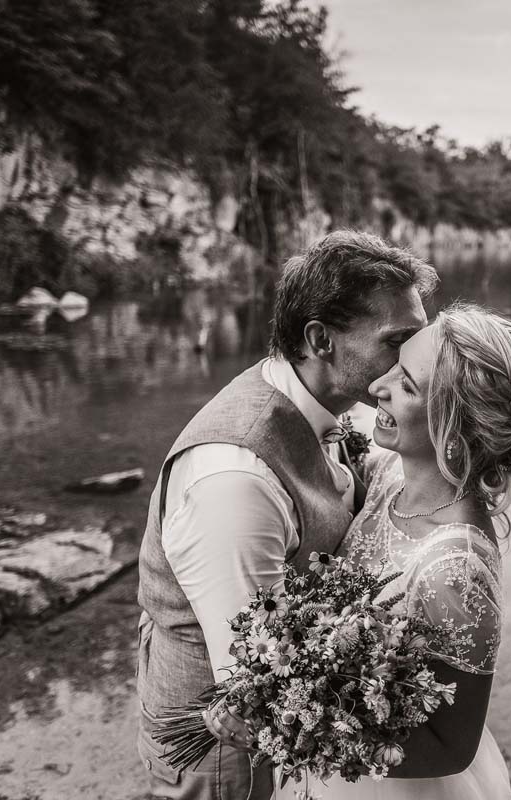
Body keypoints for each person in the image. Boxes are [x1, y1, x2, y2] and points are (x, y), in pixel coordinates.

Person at [135, 230, 438, 800]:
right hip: (225, 761)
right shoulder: (235, 481)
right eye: (399, 340)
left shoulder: (317, 400)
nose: (417, 359)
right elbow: (255, 678)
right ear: (321, 340)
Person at [278, 301, 511, 799]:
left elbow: (453, 746)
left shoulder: (455, 569)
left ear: (453, 430)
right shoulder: (391, 474)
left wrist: (294, 726)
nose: (376, 387)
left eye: (405, 385)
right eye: (394, 366)